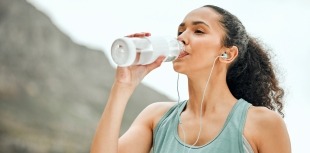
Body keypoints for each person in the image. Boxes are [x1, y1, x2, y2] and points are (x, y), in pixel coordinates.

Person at [90, 5, 291, 153]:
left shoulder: (263, 123)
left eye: (198, 31)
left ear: (227, 54)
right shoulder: (157, 117)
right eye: (180, 31)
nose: (182, 38)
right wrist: (123, 86)